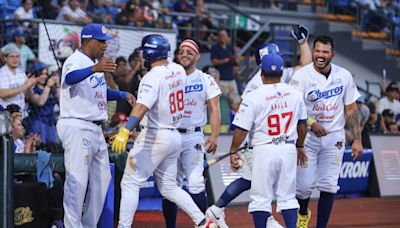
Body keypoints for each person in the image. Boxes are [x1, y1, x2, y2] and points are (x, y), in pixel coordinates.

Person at [206, 24, 312, 228]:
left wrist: (303, 43)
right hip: (260, 142)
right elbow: (304, 68)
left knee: (255, 184)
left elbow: (303, 66)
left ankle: (218, 209)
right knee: (260, 186)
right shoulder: (266, 83)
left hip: (262, 141)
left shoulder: (261, 80)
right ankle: (218, 210)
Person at [112, 34, 214, 228]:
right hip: (174, 136)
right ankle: (202, 221)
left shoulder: (152, 77)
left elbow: (141, 107)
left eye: (144, 52)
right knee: (168, 187)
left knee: (130, 183)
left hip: (156, 135)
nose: (142, 56)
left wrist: (125, 131)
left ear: (150, 53)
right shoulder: (178, 70)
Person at [56, 23, 134, 228]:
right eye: (101, 41)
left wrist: (121, 94)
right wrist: (94, 68)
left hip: (95, 128)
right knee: (77, 184)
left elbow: (100, 92)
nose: (105, 45)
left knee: (102, 180)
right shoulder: (75, 60)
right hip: (77, 124)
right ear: (89, 40)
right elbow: (70, 78)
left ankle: (88, 225)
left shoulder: (94, 63)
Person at [289, 35, 363, 228]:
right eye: (318, 51)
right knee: (303, 188)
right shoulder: (300, 76)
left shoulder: (344, 75)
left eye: (325, 52)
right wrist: (312, 122)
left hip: (334, 139)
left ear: (333, 54)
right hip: (307, 139)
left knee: (329, 185)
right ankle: (303, 212)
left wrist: (357, 139)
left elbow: (351, 109)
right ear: (312, 52)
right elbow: (295, 108)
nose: (320, 55)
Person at [228, 53, 308, 228]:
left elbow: (241, 129)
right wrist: (300, 145)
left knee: (261, 199)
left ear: (261, 73)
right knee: (287, 197)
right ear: (281, 73)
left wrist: (233, 151)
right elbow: (303, 126)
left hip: (264, 149)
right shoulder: (295, 93)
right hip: (288, 148)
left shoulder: (254, 95)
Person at [161, 38, 221, 228]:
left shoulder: (205, 78)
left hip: (193, 135)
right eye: (181, 52)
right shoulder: (169, 76)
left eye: (189, 52)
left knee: (196, 183)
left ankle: (203, 224)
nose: (184, 55)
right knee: (170, 186)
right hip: (170, 134)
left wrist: (214, 135)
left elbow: (215, 109)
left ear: (197, 56)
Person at [26, 62, 60, 144]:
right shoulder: (31, 87)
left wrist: (57, 85)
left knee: (52, 151)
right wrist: (48, 87)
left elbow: (61, 103)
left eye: (45, 74)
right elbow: (40, 102)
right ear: (35, 75)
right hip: (37, 123)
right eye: (41, 74)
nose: (44, 76)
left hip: (50, 124)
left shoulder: (51, 87)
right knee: (39, 149)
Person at [0, 46, 37, 117]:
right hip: (6, 115)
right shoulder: (2, 73)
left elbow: (28, 96)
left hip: (22, 113)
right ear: (5, 58)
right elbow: (2, 93)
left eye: (17, 56)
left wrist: (29, 86)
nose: (15, 59)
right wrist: (25, 86)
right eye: (12, 56)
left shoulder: (21, 72)